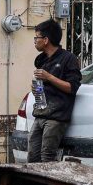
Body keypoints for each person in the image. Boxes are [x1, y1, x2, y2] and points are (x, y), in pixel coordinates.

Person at [28, 19, 82, 163]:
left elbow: (72, 88)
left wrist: (49, 77)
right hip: (40, 113)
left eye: (36, 37)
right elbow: (41, 83)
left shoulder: (68, 59)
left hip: (56, 117)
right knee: (32, 157)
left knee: (47, 158)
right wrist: (36, 88)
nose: (34, 41)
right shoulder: (40, 59)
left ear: (46, 40)